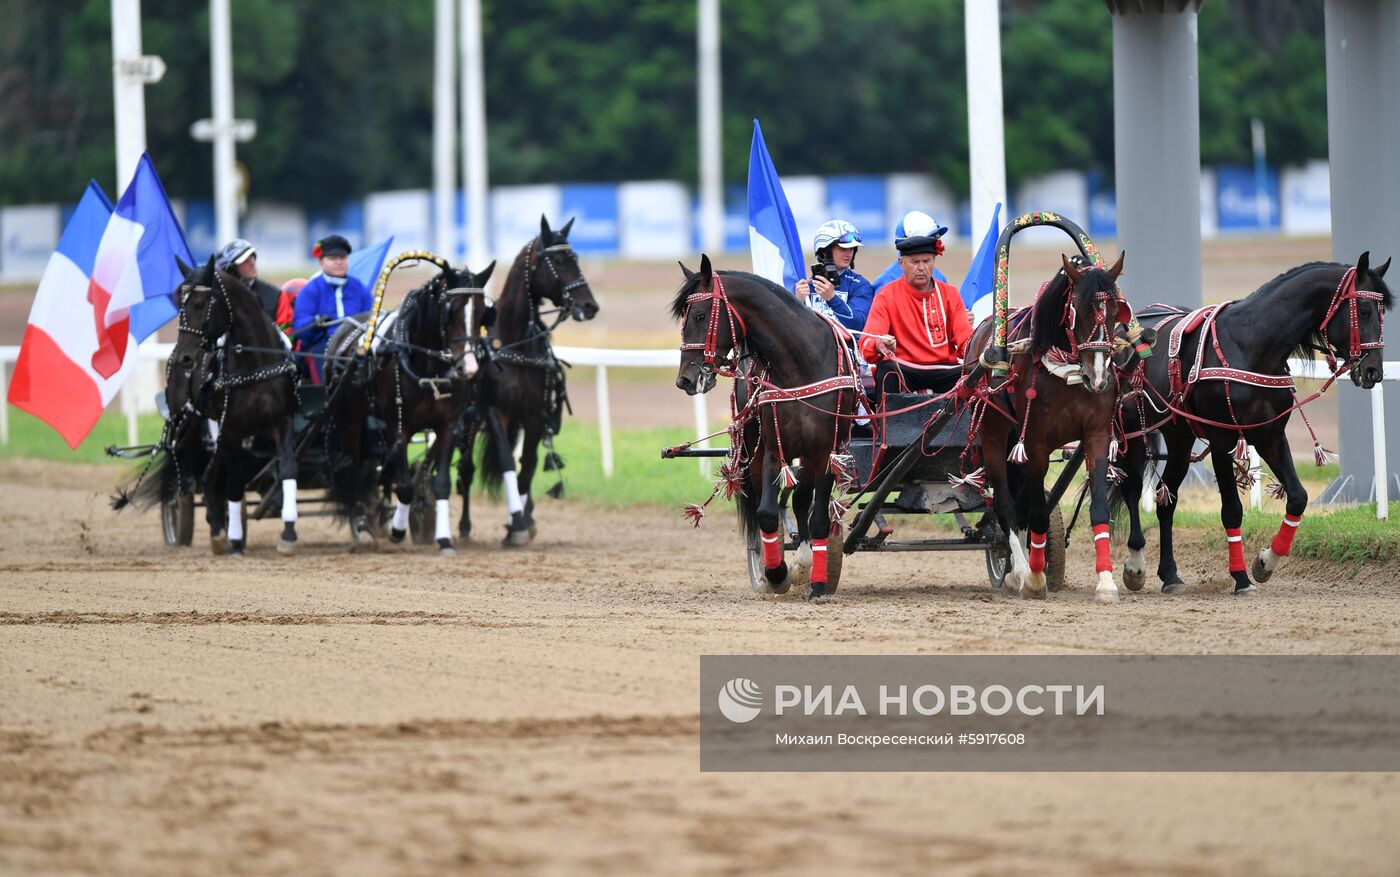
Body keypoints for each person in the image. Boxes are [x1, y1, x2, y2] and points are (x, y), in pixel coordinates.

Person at [859, 232, 972, 402]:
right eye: (914, 261)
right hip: (904, 367)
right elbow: (867, 342)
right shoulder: (886, 295)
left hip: (944, 368)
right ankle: (888, 428)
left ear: (934, 262)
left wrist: (983, 347)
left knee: (973, 375)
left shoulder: (950, 294)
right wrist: (879, 343)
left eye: (927, 261)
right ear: (901, 263)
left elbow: (966, 339)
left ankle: (968, 428)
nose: (921, 267)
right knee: (888, 370)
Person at [292, 235, 372, 383]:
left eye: (343, 257)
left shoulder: (360, 289)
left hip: (356, 345)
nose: (339, 262)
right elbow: (300, 327)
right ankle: (324, 399)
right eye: (333, 258)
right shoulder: (310, 290)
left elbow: (371, 319)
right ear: (321, 262)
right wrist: (315, 322)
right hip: (321, 347)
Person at [793, 219, 875, 333]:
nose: (849, 254)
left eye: (851, 249)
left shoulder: (860, 285)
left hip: (845, 349)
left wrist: (832, 298)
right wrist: (797, 303)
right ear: (824, 251)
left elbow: (858, 324)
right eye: (843, 248)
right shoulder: (805, 287)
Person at [871, 210, 949, 293]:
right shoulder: (886, 283)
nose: (936, 243)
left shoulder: (939, 277)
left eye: (935, 238)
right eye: (930, 239)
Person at [215, 238, 282, 324]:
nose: (252, 263)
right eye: (245, 260)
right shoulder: (216, 299)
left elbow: (287, 332)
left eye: (252, 257)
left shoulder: (276, 295)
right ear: (231, 269)